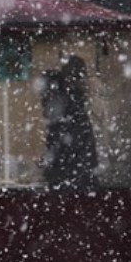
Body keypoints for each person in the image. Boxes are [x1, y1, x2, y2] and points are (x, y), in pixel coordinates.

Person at [42, 55, 98, 189]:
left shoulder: (69, 107)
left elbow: (64, 146)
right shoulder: (74, 106)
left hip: (72, 177)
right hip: (77, 176)